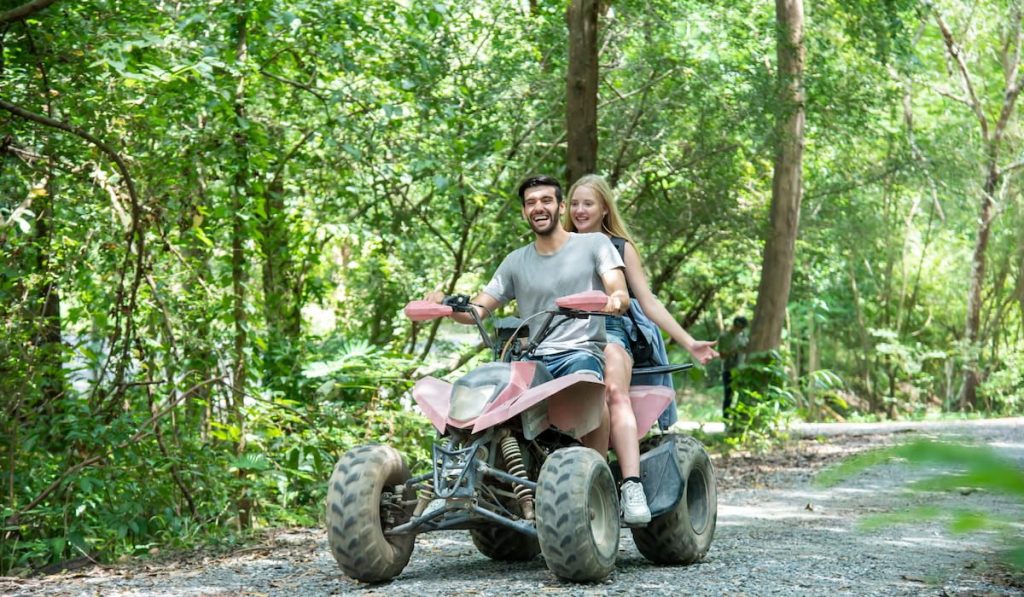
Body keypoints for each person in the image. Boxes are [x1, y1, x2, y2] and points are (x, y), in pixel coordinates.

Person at [424, 173, 630, 475]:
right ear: (524, 212)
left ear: (561, 207)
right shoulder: (515, 261)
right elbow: (476, 311)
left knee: (590, 390)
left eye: (546, 200)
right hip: (532, 357)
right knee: (491, 403)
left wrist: (616, 299)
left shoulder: (595, 244)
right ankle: (490, 476)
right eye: (531, 203)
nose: (539, 207)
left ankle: (597, 478)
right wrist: (442, 304)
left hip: (578, 351)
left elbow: (618, 289)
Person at [565, 174, 719, 525]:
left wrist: (688, 341)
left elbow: (647, 301)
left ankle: (628, 485)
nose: (580, 210)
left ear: (604, 208)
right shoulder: (561, 245)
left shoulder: (620, 247)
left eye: (588, 203)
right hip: (563, 336)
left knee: (610, 391)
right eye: (574, 203)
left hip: (611, 332)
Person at [717, 316, 749, 420]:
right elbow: (721, 355)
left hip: (741, 369)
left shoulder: (745, 338)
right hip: (728, 369)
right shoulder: (724, 337)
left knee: (743, 395)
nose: (740, 329)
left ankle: (738, 418)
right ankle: (725, 419)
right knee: (728, 396)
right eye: (739, 327)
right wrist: (732, 352)